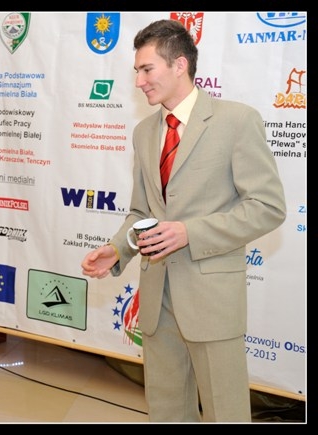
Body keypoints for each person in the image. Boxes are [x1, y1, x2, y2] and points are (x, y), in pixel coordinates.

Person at [81, 19, 286, 422]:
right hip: (157, 300)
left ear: (179, 65)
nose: (139, 81)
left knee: (226, 413)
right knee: (167, 412)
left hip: (212, 300)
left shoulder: (236, 121)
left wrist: (189, 233)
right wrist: (118, 249)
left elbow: (268, 206)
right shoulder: (144, 132)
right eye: (136, 71)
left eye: (146, 69)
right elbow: (142, 212)